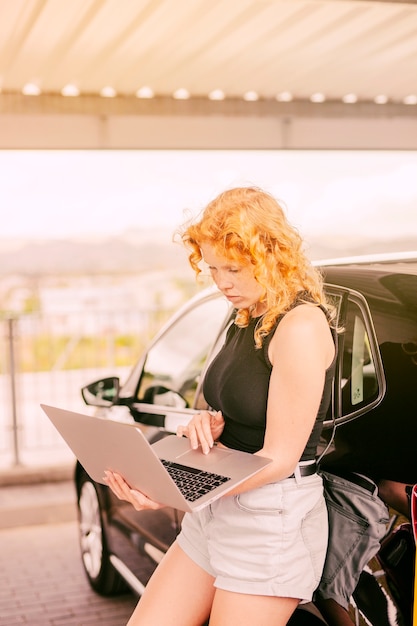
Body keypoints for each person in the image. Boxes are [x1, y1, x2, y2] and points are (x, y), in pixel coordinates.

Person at [104, 186, 337, 626]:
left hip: (270, 521)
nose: (222, 282)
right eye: (212, 268)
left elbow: (276, 459)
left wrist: (173, 488)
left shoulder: (300, 327)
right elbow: (244, 404)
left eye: (233, 268)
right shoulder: (247, 313)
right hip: (216, 514)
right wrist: (209, 424)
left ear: (273, 256)